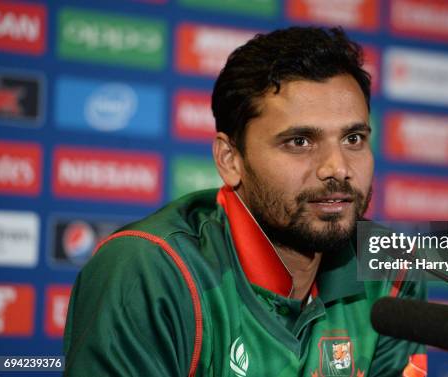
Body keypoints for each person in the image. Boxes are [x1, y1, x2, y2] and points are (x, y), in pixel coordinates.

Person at [63, 26, 427, 377]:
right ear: (230, 160)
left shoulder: (391, 269)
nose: (338, 168)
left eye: (353, 138)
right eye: (299, 141)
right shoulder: (149, 270)